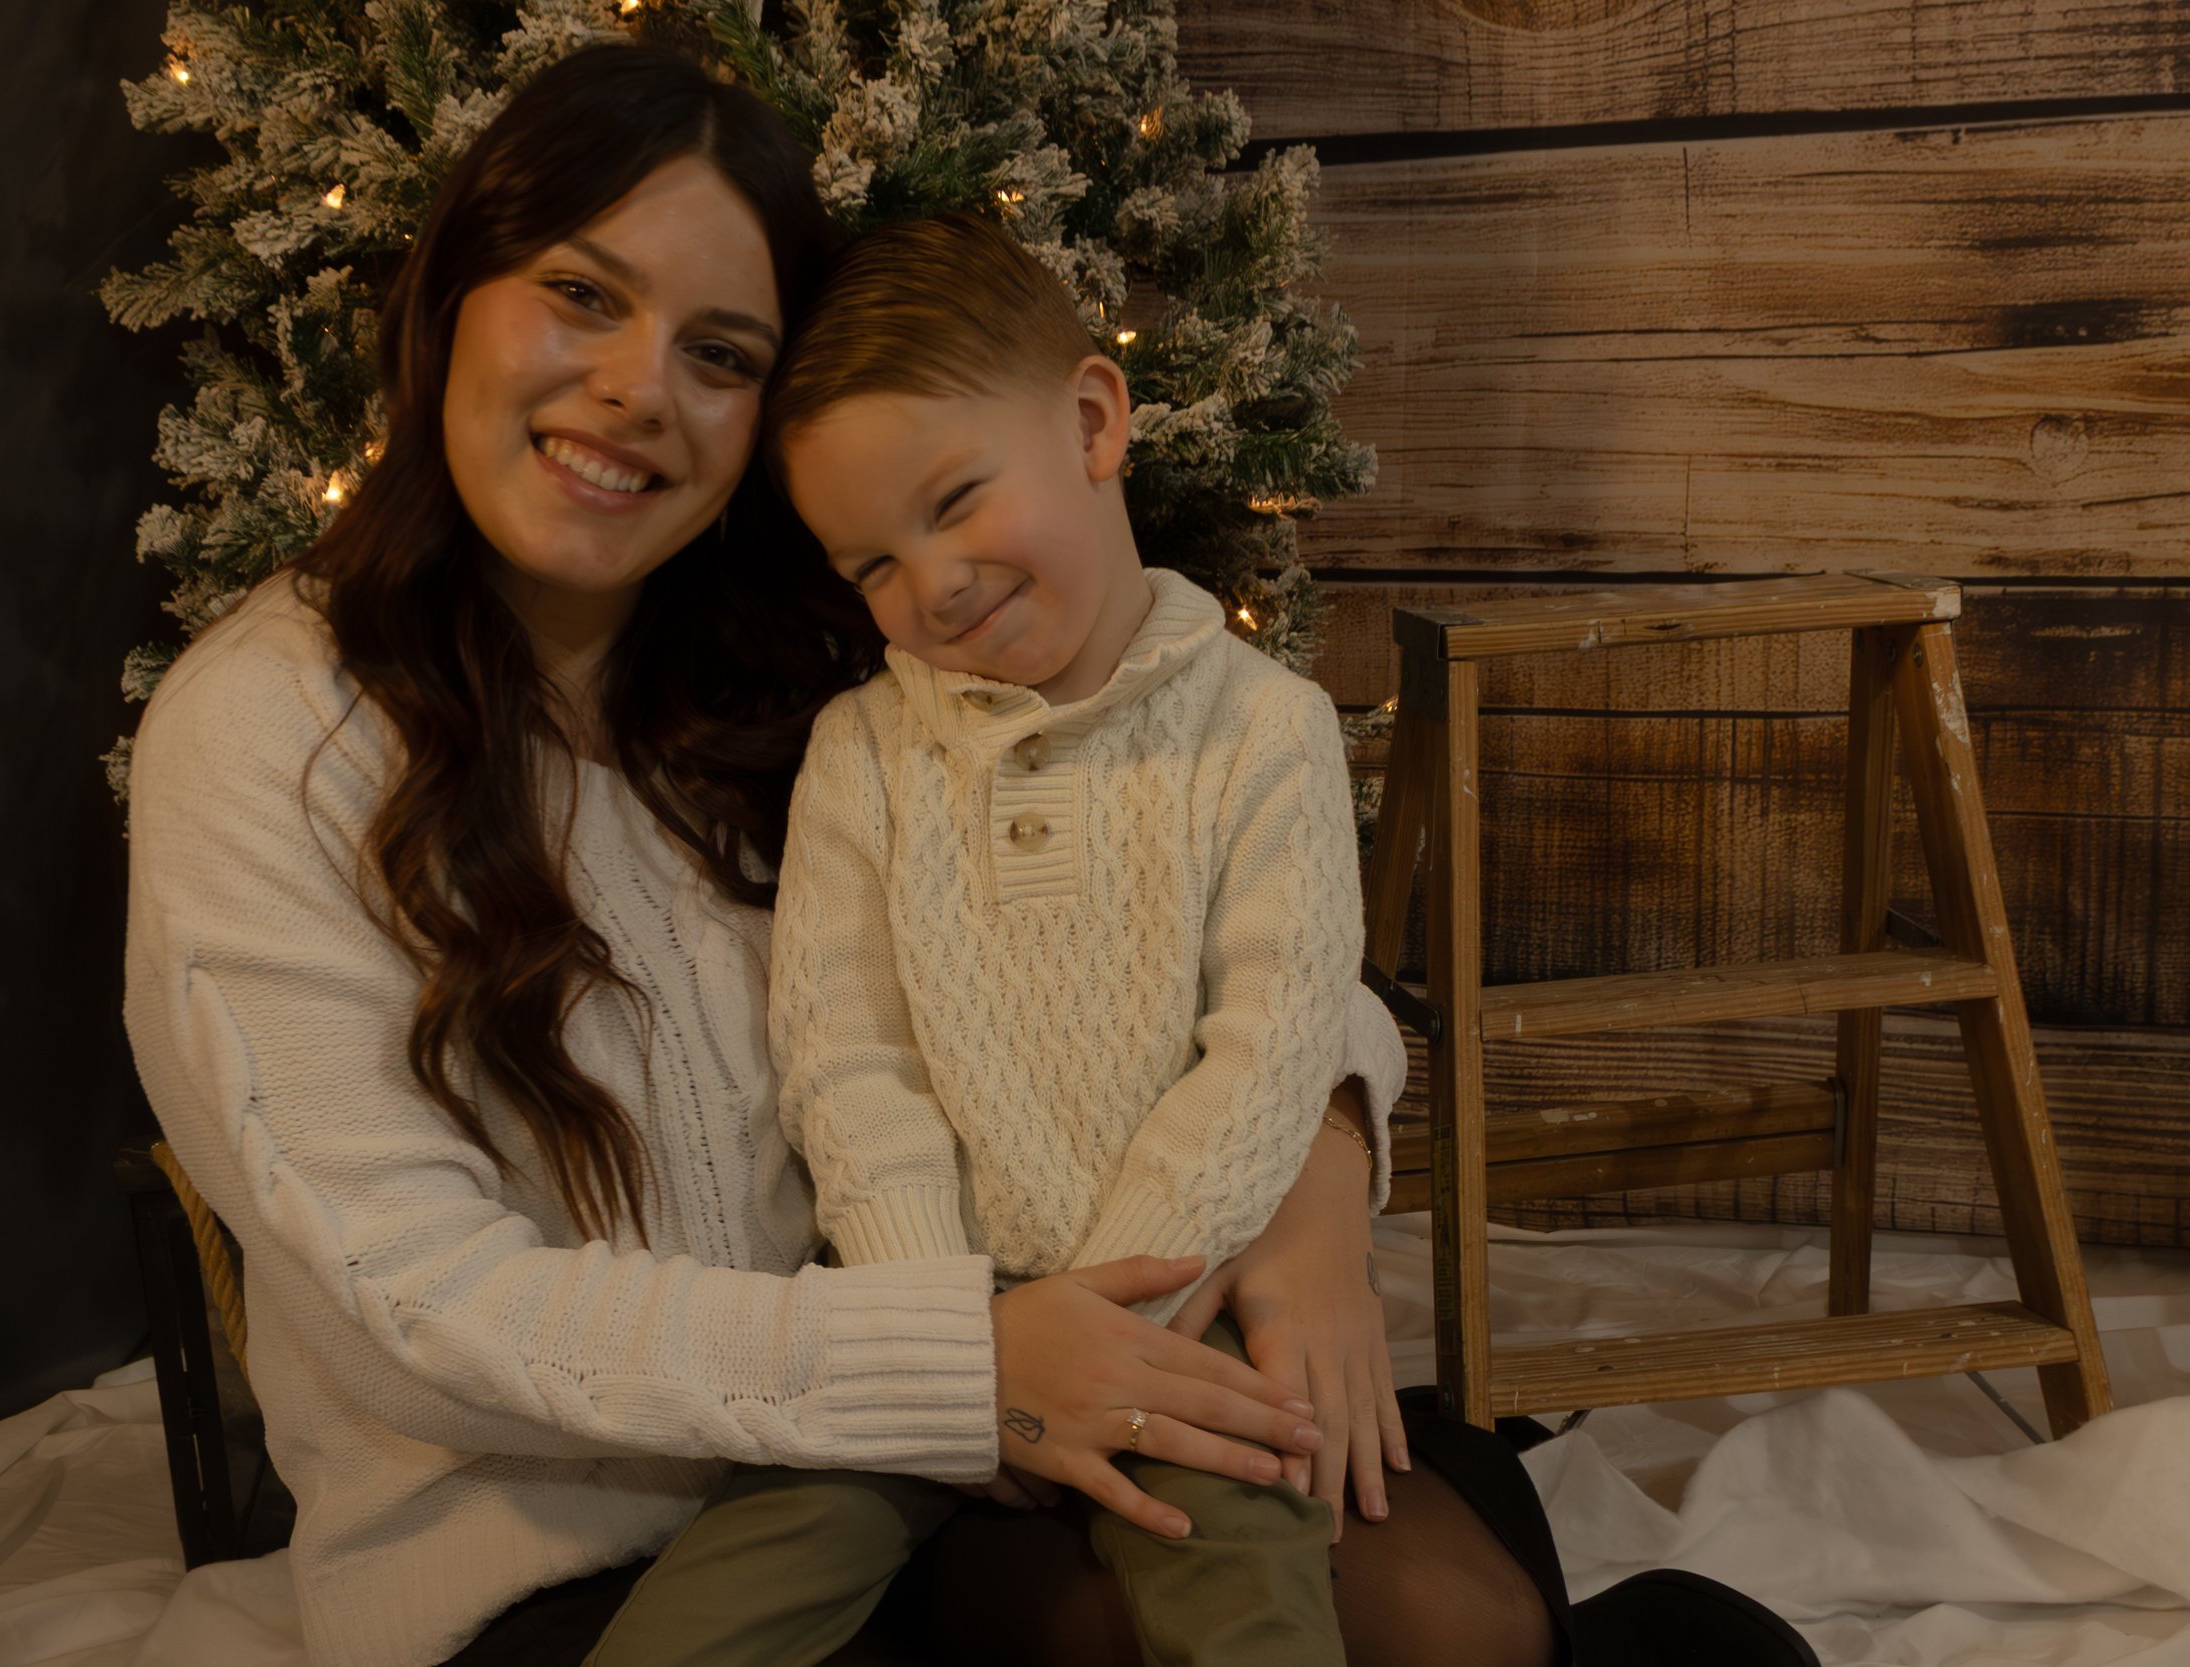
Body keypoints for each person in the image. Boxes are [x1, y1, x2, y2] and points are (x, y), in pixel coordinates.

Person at [123, 37, 1812, 1667]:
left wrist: (1312, 1176)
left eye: (722, 352)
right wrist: (956, 1363)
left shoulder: (837, 670)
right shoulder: (266, 732)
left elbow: (1229, 951)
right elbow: (414, 1311)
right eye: (580, 292)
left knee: (1453, 1603)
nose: (641, 389)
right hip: (578, 1548)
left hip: (966, 1416)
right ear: (447, 297)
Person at [580, 210, 1398, 1667]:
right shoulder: (869, 752)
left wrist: (1119, 1300)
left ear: (1091, 419)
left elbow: (1275, 1041)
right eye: (873, 566)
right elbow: (846, 1059)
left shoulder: (1267, 733)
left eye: (956, 503)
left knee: (1247, 1594)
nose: (933, 586)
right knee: (731, 1588)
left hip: (1170, 1305)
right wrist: (937, 1328)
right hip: (918, 1318)